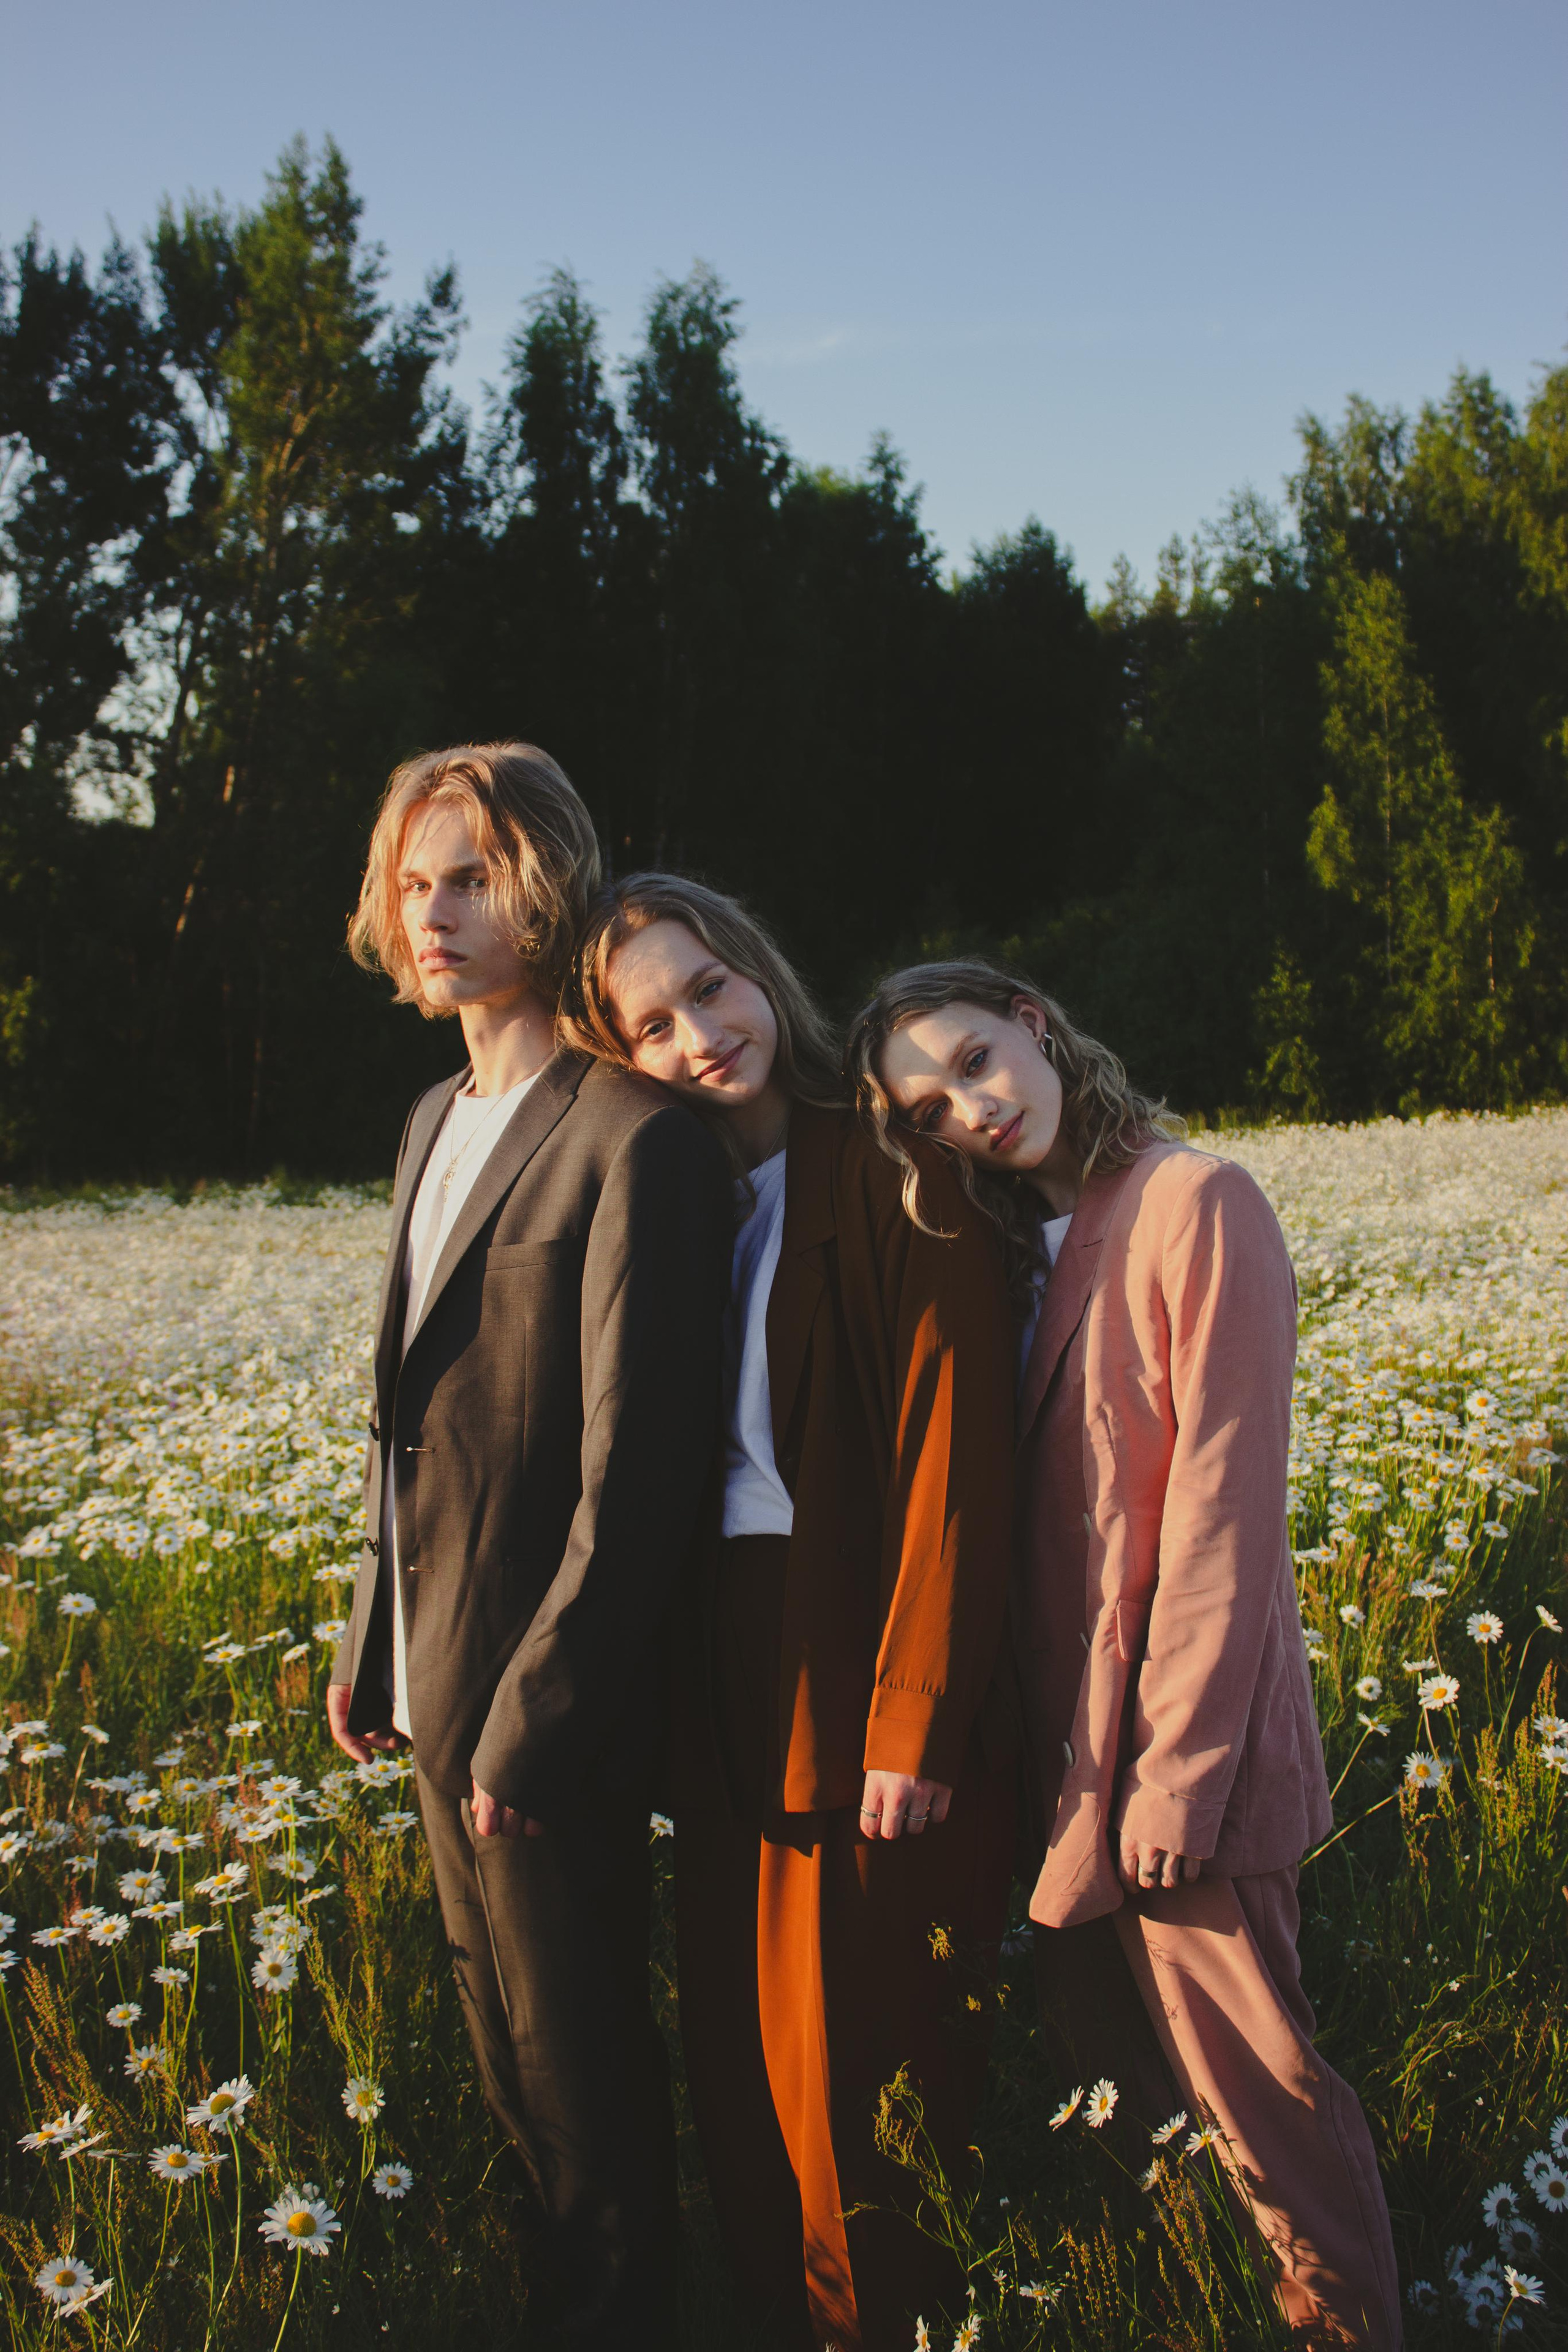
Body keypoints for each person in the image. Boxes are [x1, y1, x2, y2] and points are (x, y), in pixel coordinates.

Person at [848, 959, 1403, 2352]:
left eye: (974, 1062)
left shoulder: (1190, 1201)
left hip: (1180, 1760)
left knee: (1260, 2108)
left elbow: (1222, 1516)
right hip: (1064, 1763)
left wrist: (1173, 1786)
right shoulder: (1009, 1246)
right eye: (925, 1105)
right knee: (1134, 2122)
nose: (965, 1110)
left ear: (1034, 1026)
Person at [567, 876, 1017, 2352]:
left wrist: (915, 1711)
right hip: (718, 1677)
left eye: (709, 987)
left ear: (759, 969)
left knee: (860, 2063)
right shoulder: (667, 1202)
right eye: (650, 1023)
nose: (696, 1035)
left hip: (856, 1655)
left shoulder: (890, 1168)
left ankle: (884, 2329)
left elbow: (959, 1458)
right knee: (742, 2057)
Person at [326, 746, 731, 2351]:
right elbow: (406, 1412)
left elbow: (640, 1471)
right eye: (415, 881)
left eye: (473, 877)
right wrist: (374, 1638)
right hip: (429, 1679)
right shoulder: (435, 1116)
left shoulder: (637, 1134)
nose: (436, 912)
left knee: (588, 2084)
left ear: (547, 883)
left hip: (541, 1707)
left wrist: (537, 1714)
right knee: (503, 2071)